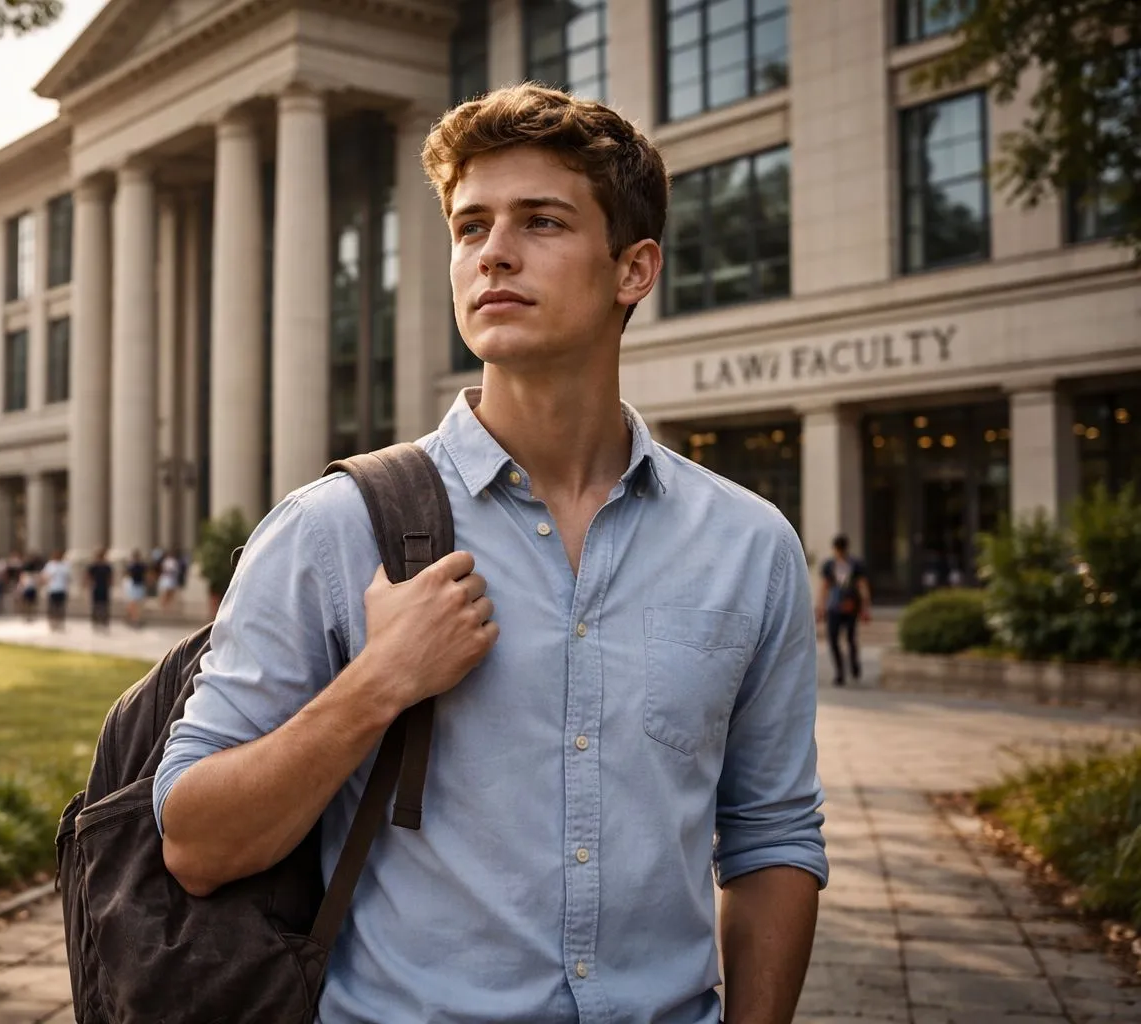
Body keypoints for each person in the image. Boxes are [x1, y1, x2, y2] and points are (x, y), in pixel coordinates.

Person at [155, 85, 826, 1024]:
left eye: (542, 221)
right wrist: (379, 683)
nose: (493, 252)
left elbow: (772, 837)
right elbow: (193, 838)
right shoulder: (332, 529)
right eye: (471, 227)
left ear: (634, 270)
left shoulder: (749, 546)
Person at [817, 533, 871, 687]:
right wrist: (821, 606)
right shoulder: (829, 565)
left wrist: (865, 606)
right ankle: (840, 672)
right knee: (833, 639)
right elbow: (825, 586)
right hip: (834, 606)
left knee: (850, 638)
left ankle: (854, 665)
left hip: (850, 605)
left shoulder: (855, 565)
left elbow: (862, 585)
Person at [41, 550, 71, 631]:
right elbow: (44, 576)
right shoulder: (50, 565)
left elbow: (67, 577)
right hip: (52, 589)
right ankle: (53, 623)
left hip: (62, 589)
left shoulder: (65, 565)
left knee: (60, 607)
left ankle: (60, 623)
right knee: (52, 607)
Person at [87, 548, 114, 631]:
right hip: (96, 587)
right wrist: (89, 584)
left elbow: (110, 577)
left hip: (104, 587)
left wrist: (110, 584)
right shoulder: (94, 566)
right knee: (96, 605)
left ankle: (104, 620)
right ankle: (96, 620)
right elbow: (89, 576)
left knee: (104, 605)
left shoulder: (107, 566)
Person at [123, 548, 147, 627]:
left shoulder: (141, 565)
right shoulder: (131, 566)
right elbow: (127, 574)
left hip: (139, 584)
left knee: (138, 603)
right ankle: (133, 618)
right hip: (133, 585)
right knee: (133, 603)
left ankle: (134, 618)